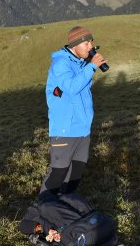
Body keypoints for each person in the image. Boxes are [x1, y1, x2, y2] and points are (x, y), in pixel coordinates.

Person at [40, 26, 107, 195]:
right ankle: (39, 216)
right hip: (65, 130)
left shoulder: (80, 63)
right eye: (86, 43)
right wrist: (91, 67)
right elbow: (71, 87)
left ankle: (62, 213)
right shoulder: (61, 64)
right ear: (75, 45)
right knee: (58, 175)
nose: (91, 46)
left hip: (82, 129)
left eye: (91, 42)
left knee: (74, 176)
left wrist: (89, 65)